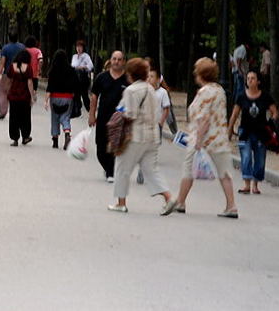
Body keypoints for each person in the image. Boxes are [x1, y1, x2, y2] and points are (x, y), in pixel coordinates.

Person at [108, 58, 177, 215]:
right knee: (150, 170)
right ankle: (169, 197)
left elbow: (130, 114)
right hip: (152, 136)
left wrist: (120, 113)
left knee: (122, 168)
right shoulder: (151, 89)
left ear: (130, 74)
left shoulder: (131, 91)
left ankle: (121, 203)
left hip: (135, 136)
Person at [173, 58, 239, 219]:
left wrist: (198, 142)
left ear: (200, 74)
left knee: (188, 170)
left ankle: (180, 202)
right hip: (220, 140)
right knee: (224, 173)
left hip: (203, 139)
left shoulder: (204, 93)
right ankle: (231, 206)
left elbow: (204, 119)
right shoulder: (220, 90)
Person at [227, 70, 278, 195]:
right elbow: (235, 114)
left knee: (260, 159)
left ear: (258, 81)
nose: (249, 80)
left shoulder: (265, 96)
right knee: (246, 157)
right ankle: (246, 184)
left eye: (252, 78)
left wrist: (271, 123)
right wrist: (230, 129)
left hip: (261, 132)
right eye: (248, 78)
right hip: (245, 131)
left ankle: (255, 184)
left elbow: (274, 111)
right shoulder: (241, 96)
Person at [89, 51, 128, 182]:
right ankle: (107, 167)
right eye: (114, 59)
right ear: (110, 60)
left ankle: (111, 172)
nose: (116, 61)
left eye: (119, 59)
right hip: (103, 118)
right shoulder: (101, 77)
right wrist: (91, 115)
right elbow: (94, 97)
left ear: (123, 62)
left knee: (114, 146)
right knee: (100, 147)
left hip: (120, 120)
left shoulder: (127, 80)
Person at [44, 49, 79, 150]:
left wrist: (46, 100)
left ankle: (55, 140)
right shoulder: (71, 70)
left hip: (55, 97)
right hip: (67, 97)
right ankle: (67, 133)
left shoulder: (52, 71)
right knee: (65, 117)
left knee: (55, 118)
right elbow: (76, 85)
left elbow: (49, 87)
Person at [7, 49, 35, 146]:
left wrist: (8, 92)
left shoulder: (12, 66)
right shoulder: (28, 67)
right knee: (25, 117)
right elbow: (30, 82)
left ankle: (15, 138)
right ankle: (25, 136)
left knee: (13, 117)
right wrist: (32, 96)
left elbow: (9, 81)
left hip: (13, 96)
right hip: (24, 96)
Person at [0, 32, 26, 120]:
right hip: (20, 73)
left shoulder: (5, 48)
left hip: (8, 73)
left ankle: (3, 112)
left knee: (3, 92)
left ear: (9, 38)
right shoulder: (22, 47)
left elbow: (2, 62)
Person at [70, 40, 94, 112]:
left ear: (83, 48)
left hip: (83, 78)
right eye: (77, 47)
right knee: (76, 94)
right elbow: (72, 66)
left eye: (80, 47)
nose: (78, 48)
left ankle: (90, 110)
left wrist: (82, 67)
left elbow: (91, 66)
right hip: (75, 78)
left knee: (84, 95)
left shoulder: (86, 56)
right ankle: (77, 109)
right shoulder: (74, 56)